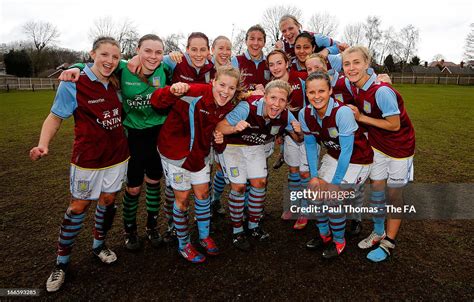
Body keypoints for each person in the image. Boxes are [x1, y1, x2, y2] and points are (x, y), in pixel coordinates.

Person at [30, 37, 129, 292]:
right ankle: (61, 263)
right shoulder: (74, 82)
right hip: (87, 160)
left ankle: (99, 245)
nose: (109, 61)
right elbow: (54, 117)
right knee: (78, 206)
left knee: (108, 201)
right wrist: (43, 144)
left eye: (115, 57)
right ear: (92, 54)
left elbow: (149, 60)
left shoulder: (118, 80)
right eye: (104, 55)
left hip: (117, 156)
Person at [58, 34, 175, 249]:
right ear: (137, 50)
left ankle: (152, 225)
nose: (153, 56)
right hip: (133, 135)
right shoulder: (121, 67)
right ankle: (129, 229)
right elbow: (94, 62)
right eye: (147, 51)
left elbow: (192, 60)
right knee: (132, 188)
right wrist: (74, 66)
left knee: (154, 182)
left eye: (158, 52)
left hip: (159, 133)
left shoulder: (166, 67)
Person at [150, 66, 241, 263]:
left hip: (199, 154)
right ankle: (184, 244)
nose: (225, 91)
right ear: (213, 82)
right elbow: (155, 101)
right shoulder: (194, 92)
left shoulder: (228, 104)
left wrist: (219, 139)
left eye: (231, 88)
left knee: (203, 194)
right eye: (222, 85)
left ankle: (204, 236)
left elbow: (217, 133)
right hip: (175, 153)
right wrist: (171, 90)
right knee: (182, 199)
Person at [342, 46, 415, 262]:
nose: (351, 68)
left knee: (393, 195)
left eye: (357, 62)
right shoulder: (353, 84)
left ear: (367, 64)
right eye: (347, 64)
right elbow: (330, 59)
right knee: (376, 189)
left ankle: (389, 242)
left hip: (400, 149)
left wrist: (361, 117)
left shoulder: (381, 90)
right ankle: (378, 230)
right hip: (378, 146)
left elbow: (394, 125)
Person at [215, 79, 303, 251]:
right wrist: (234, 128)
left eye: (282, 100)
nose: (276, 104)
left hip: (255, 147)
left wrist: (299, 133)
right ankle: (237, 230)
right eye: (273, 98)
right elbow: (220, 127)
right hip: (234, 146)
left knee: (260, 183)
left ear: (287, 103)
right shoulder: (247, 107)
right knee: (239, 187)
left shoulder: (286, 115)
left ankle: (253, 225)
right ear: (265, 97)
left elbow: (298, 139)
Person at [300, 72, 373, 258]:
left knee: (333, 197)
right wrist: (314, 175)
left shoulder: (342, 112)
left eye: (322, 91)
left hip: (359, 160)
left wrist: (336, 182)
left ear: (330, 91)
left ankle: (339, 241)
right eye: (311, 92)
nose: (317, 96)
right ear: (306, 93)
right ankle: (324, 234)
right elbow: (310, 145)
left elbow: (347, 151)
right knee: (314, 193)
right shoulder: (304, 113)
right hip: (334, 156)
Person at [266, 49, 310, 230]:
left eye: (279, 62)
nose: (275, 67)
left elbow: (326, 76)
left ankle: (306, 211)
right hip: (289, 136)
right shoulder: (270, 86)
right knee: (293, 171)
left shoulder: (301, 78)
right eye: (271, 64)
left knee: (305, 173)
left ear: (287, 63)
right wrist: (278, 135)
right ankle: (294, 206)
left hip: (308, 134)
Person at [276, 14, 343, 61]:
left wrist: (327, 51)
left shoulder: (315, 38)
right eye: (284, 31)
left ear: (298, 26)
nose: (288, 33)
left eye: (291, 28)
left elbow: (340, 46)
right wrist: (278, 52)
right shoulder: (283, 47)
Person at [236, 25, 270, 92]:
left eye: (260, 39)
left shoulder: (269, 62)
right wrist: (253, 87)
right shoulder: (236, 61)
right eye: (252, 39)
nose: (255, 43)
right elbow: (232, 85)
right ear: (246, 41)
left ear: (264, 43)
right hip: (241, 102)